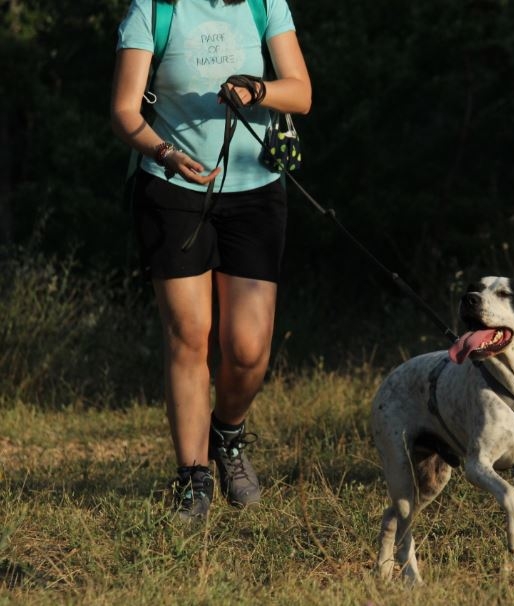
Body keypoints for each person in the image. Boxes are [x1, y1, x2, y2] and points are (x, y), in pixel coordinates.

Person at [110, 0, 312, 521]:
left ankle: (229, 433)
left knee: (247, 350)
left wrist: (258, 90)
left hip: (256, 191)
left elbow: (302, 93)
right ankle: (192, 478)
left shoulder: (267, 5)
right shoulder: (152, 10)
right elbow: (125, 110)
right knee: (189, 334)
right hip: (172, 188)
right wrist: (164, 153)